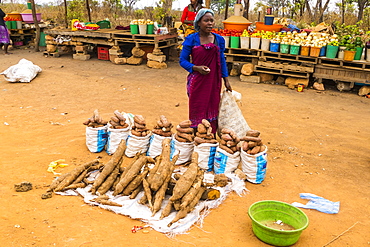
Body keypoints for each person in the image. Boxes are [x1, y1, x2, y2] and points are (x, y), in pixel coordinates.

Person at [179, 9, 232, 134]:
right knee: (197, 106)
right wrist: (196, 68)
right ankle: (196, 133)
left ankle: (210, 135)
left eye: (211, 20)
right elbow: (182, 60)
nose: (210, 23)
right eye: (206, 20)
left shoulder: (219, 40)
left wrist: (226, 80)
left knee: (212, 105)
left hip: (213, 81)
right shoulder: (191, 39)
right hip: (197, 81)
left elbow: (221, 61)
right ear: (198, 22)